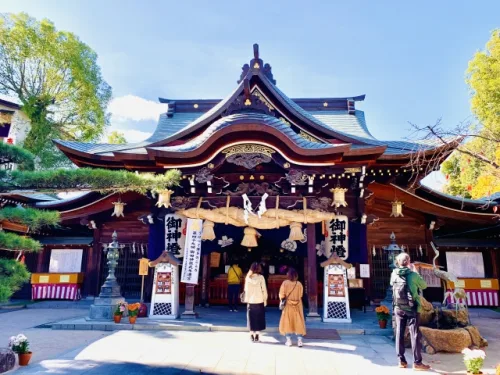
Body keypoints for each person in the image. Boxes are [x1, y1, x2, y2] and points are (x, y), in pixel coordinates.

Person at [390, 253, 430, 371]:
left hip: (398, 307)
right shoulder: (413, 275)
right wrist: (415, 271)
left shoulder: (394, 274)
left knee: (399, 332)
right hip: (413, 308)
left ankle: (401, 361)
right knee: (414, 334)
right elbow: (424, 286)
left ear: (397, 262)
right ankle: (417, 362)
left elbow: (392, 285)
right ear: (408, 262)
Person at [278, 267, 306, 347]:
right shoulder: (299, 284)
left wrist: (283, 299)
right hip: (298, 305)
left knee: (287, 321)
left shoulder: (285, 283)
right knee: (299, 321)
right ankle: (300, 341)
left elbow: (281, 294)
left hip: (288, 305)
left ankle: (289, 340)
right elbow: (301, 295)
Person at [244, 262, 268, 342]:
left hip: (251, 300)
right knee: (259, 318)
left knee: (251, 318)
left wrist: (247, 300)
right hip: (259, 300)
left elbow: (246, 290)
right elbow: (264, 289)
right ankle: (257, 334)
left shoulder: (248, 278)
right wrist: (265, 299)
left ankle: (251, 335)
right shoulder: (261, 277)